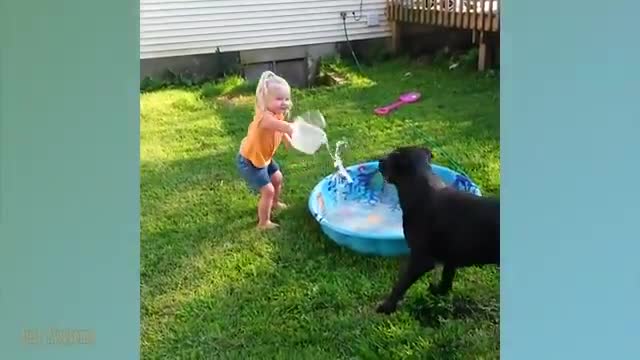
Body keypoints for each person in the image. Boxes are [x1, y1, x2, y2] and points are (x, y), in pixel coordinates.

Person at [236, 71, 294, 230]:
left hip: (264, 158)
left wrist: (287, 141)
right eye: (279, 99)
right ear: (265, 101)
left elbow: (280, 130)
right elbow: (283, 127)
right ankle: (263, 223)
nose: (284, 102)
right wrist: (294, 129)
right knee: (267, 190)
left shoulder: (277, 114)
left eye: (287, 99)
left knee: (277, 178)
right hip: (250, 160)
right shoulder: (265, 118)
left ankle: (275, 203)